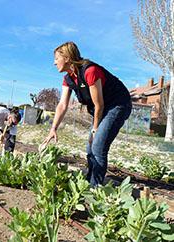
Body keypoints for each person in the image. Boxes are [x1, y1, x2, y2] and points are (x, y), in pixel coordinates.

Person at [42, 41, 132, 188]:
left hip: (118, 105)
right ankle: (90, 182)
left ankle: (95, 189)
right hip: (103, 109)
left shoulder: (90, 71)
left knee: (97, 146)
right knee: (90, 148)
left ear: (67, 58)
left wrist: (95, 130)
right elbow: (63, 105)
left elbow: (99, 105)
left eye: (56, 58)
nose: (54, 63)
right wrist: (53, 128)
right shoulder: (68, 78)